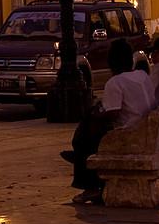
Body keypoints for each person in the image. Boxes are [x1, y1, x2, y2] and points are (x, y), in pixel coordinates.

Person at [62, 40, 152, 205]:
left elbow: (113, 112)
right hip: (147, 130)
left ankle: (88, 181)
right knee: (90, 125)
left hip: (129, 134)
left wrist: (97, 113)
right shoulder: (143, 76)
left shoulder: (115, 82)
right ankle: (80, 155)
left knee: (88, 129)